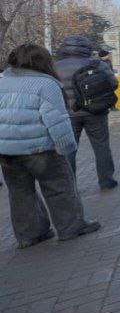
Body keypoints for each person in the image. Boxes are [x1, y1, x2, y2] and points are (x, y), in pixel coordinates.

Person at [0, 44, 101, 248]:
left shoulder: (2, 81)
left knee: (20, 193)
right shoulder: (46, 85)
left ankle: (29, 235)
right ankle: (70, 227)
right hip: (41, 150)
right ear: (43, 61)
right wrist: (66, 147)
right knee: (59, 188)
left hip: (7, 151)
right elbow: (57, 121)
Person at [55, 35, 119, 190]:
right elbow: (114, 84)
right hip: (96, 112)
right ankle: (106, 181)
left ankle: (70, 185)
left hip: (68, 114)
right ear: (87, 48)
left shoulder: (54, 66)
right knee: (101, 146)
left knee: (69, 150)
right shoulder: (97, 64)